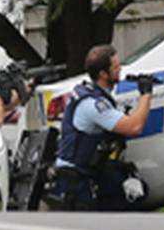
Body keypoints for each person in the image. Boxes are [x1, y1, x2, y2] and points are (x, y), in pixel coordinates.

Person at [48, 43, 154, 210]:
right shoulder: (93, 104)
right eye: (116, 67)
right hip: (74, 181)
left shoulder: (92, 93)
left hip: (86, 171)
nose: (120, 70)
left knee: (136, 186)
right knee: (129, 195)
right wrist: (146, 94)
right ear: (103, 74)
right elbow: (135, 127)